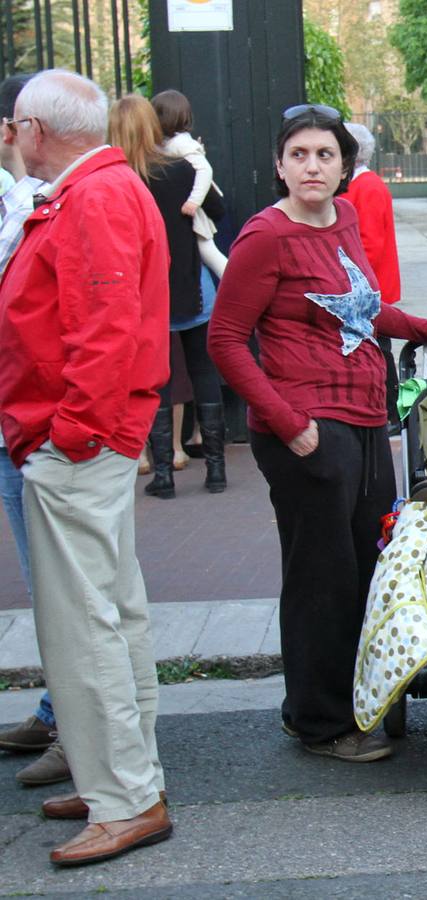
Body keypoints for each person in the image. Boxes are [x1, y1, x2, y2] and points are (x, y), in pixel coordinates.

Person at [209, 104, 427, 763]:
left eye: (325, 154)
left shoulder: (347, 218)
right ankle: (318, 722)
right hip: (306, 429)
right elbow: (226, 341)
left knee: (366, 569)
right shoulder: (265, 238)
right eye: (299, 155)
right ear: (279, 165)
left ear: (344, 164)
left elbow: (360, 307)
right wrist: (288, 424)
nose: (313, 166)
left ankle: (359, 702)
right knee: (321, 578)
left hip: (363, 420)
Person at [0, 68, 172, 867]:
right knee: (111, 613)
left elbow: (101, 332)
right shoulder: (104, 187)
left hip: (78, 439)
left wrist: (65, 435)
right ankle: (126, 782)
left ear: (35, 129)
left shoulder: (93, 195)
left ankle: (124, 797)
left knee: (84, 627)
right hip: (90, 434)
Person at [0, 71, 68, 792]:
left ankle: (75, 730)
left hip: (37, 427)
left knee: (65, 590)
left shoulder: (46, 200)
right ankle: (60, 713)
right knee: (44, 583)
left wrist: (70, 431)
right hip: (17, 422)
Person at [109, 94, 228, 500]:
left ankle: (163, 474)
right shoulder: (182, 168)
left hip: (146, 293)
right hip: (193, 284)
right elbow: (218, 206)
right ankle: (215, 470)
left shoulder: (118, 180)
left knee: (155, 380)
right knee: (203, 371)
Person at [341, 122, 404, 434]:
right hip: (367, 285)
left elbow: (369, 244)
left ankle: (391, 413)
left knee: (380, 350)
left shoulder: (367, 186)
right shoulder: (363, 184)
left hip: (369, 287)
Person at [149, 89, 227, 279]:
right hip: (191, 206)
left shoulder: (179, 144)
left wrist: (194, 201)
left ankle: (236, 284)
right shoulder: (174, 143)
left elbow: (204, 170)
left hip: (195, 210)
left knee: (209, 253)